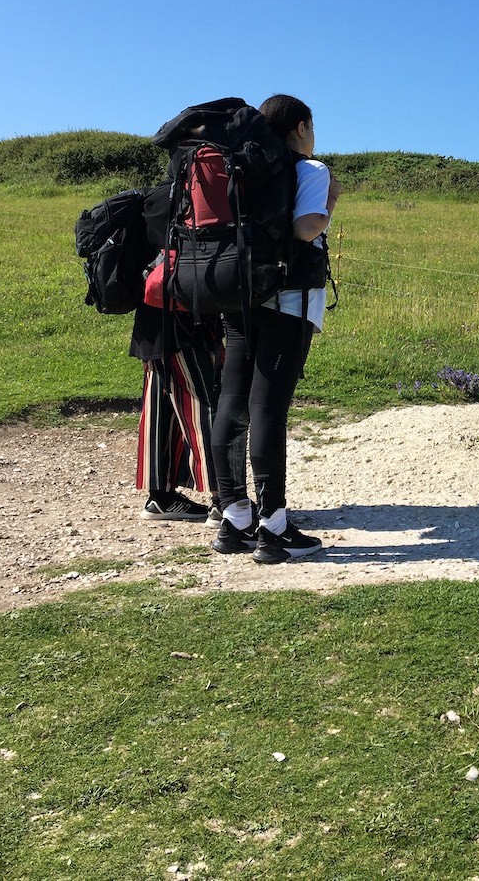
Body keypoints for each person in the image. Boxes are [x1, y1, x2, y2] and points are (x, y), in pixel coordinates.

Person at [209, 93, 340, 564]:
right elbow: (306, 228)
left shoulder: (239, 166)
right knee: (268, 407)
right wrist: (328, 205)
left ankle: (234, 518)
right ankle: (274, 526)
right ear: (301, 126)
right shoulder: (310, 170)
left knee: (231, 400)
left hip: (237, 296)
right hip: (288, 300)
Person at [130, 184, 224, 523]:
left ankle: (161, 496)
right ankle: (223, 498)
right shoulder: (198, 200)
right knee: (206, 402)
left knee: (161, 406)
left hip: (150, 320)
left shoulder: (154, 198)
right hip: (187, 319)